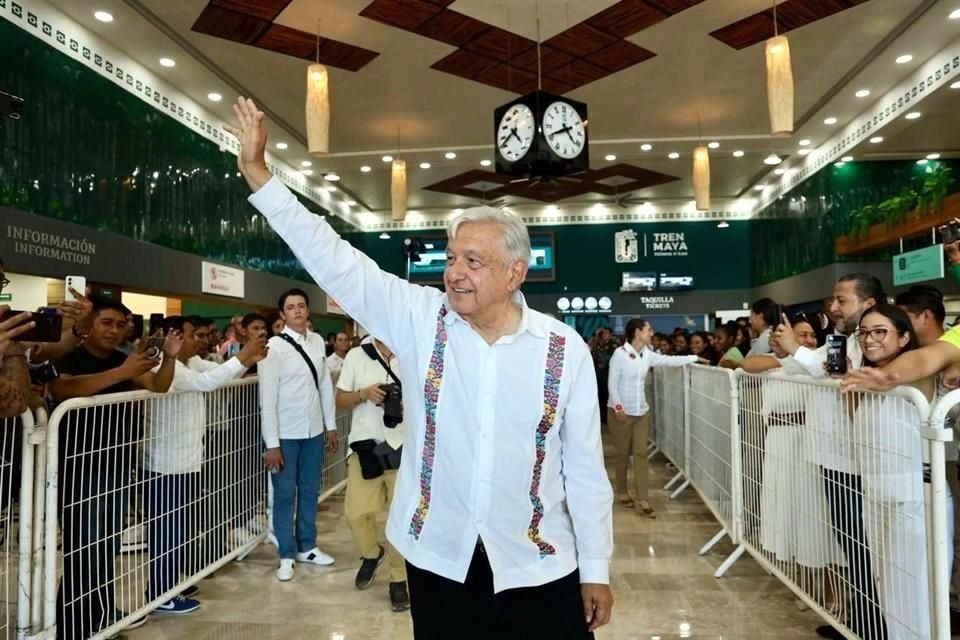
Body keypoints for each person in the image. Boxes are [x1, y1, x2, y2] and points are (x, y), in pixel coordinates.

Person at [227, 96, 613, 638]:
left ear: (515, 273)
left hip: (538, 563)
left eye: (473, 262)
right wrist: (259, 176)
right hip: (439, 559)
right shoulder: (420, 318)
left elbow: (585, 472)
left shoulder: (562, 348)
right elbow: (337, 261)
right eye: (451, 257)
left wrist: (595, 569)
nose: (454, 273)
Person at [50, 298, 181, 640]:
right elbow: (63, 389)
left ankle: (102, 613)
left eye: (120, 324)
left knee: (107, 545)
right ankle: (73, 624)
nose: (114, 330)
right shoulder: (70, 356)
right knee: (83, 547)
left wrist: (168, 357)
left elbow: (159, 385)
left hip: (119, 464)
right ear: (89, 322)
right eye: (106, 322)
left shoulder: (125, 359)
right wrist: (122, 373)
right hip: (81, 468)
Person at [771, 273, 886, 640]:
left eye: (842, 300)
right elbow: (812, 367)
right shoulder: (843, 339)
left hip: (854, 460)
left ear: (868, 304)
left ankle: (873, 626)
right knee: (851, 546)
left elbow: (832, 374)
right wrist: (788, 350)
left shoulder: (871, 343)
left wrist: (796, 348)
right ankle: (860, 621)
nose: (833, 307)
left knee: (865, 549)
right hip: (831, 457)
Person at [141, 315, 266, 615]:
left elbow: (223, 374)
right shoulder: (162, 366)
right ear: (171, 337)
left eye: (201, 335)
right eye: (193, 335)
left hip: (187, 461)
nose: (200, 340)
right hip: (164, 463)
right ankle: (160, 593)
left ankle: (169, 584)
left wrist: (247, 359)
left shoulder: (193, 363)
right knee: (165, 531)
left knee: (178, 529)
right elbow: (207, 383)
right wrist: (245, 354)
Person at [849, 304, 944, 640]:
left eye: (880, 332)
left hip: (913, 499)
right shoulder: (866, 380)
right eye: (863, 333)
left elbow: (914, 364)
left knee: (914, 593)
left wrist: (885, 377)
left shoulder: (915, 373)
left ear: (904, 336)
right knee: (889, 592)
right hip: (875, 495)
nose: (869, 340)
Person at [756, 316, 843, 613]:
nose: (806, 341)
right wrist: (781, 357)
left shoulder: (816, 364)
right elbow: (746, 366)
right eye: (799, 335)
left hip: (811, 450)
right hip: (782, 449)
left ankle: (835, 590)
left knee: (819, 519)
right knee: (790, 515)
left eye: (809, 336)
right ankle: (803, 584)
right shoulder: (780, 364)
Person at [259, 288, 339, 582]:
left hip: (314, 430)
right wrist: (272, 444)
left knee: (309, 490)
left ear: (308, 311)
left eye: (301, 306)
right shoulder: (273, 348)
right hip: (285, 434)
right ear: (282, 315)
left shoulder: (317, 342)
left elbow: (325, 387)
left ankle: (308, 545)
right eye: (290, 307)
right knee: (284, 494)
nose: (297, 311)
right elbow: (267, 400)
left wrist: (330, 424)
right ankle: (285, 554)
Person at [336, 336, 410, 611]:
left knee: (400, 520)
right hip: (365, 447)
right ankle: (371, 553)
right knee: (354, 513)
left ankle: (398, 579)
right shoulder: (357, 355)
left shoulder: (410, 349)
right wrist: (363, 394)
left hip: (404, 445)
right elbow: (340, 400)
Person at [608, 319, 701, 518]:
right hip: (620, 413)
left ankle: (643, 499)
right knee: (623, 454)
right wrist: (618, 407)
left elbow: (668, 360)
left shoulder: (647, 354)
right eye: (648, 329)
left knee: (641, 454)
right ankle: (622, 491)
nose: (652, 332)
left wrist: (693, 358)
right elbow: (612, 384)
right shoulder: (619, 355)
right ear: (637, 332)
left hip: (641, 411)